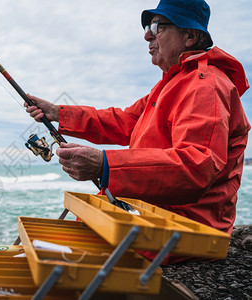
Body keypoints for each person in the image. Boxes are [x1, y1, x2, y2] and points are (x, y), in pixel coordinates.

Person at [25, 0, 250, 263]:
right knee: (59, 247)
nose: (147, 35)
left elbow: (196, 165)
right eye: (148, 26)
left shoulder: (206, 85)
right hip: (156, 214)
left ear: (190, 36)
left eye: (158, 26)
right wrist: (59, 114)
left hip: (187, 227)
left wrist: (104, 165)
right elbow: (124, 122)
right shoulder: (170, 85)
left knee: (61, 257)